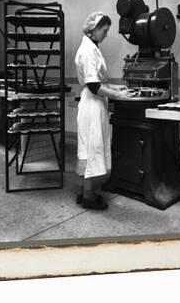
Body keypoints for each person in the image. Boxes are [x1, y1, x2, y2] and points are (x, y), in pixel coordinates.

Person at [74, 11, 131, 210]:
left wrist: (116, 89)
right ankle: (89, 198)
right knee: (93, 150)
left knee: (90, 148)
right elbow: (94, 86)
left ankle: (84, 193)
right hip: (92, 105)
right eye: (104, 31)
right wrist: (119, 96)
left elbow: (98, 82)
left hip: (95, 103)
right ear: (94, 29)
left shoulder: (91, 47)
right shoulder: (88, 50)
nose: (106, 35)